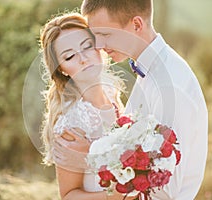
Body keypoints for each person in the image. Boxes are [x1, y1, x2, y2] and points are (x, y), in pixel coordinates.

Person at [54, 0, 208, 199]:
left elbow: (164, 191)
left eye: (105, 34)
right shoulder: (149, 72)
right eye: (95, 36)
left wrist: (93, 154)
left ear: (136, 25)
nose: (98, 46)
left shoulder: (170, 88)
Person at [39, 13, 137, 200]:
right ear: (61, 68)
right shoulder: (71, 125)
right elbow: (68, 195)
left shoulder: (111, 94)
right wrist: (114, 196)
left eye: (87, 47)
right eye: (69, 56)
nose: (83, 59)